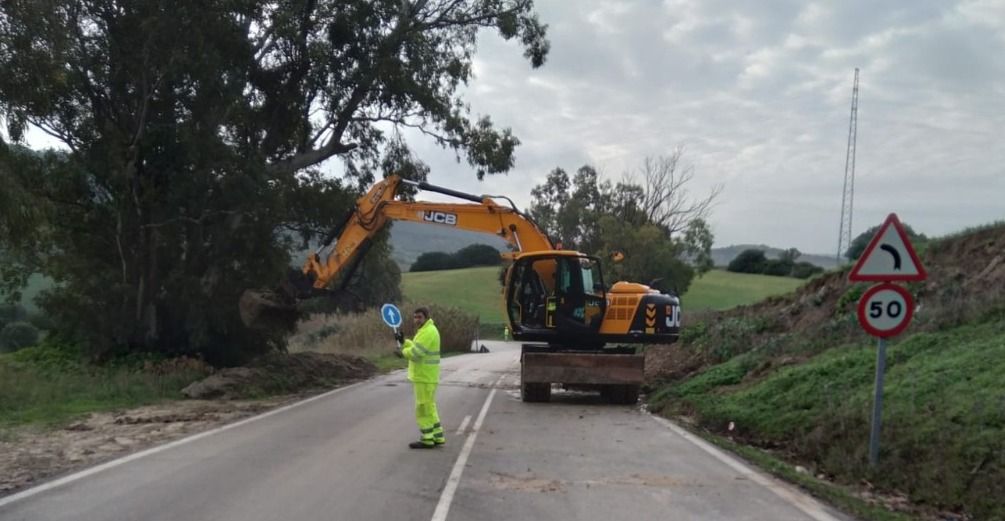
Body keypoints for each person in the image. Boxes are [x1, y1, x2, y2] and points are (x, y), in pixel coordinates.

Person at [394, 307, 444, 449]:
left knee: (422, 408)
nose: (416, 320)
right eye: (415, 317)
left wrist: (402, 353)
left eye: (419, 317)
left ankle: (427, 439)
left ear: (426, 317)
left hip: (424, 376)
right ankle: (437, 436)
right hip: (427, 376)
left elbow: (416, 353)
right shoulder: (426, 330)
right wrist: (404, 342)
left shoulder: (428, 332)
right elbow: (417, 346)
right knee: (430, 407)